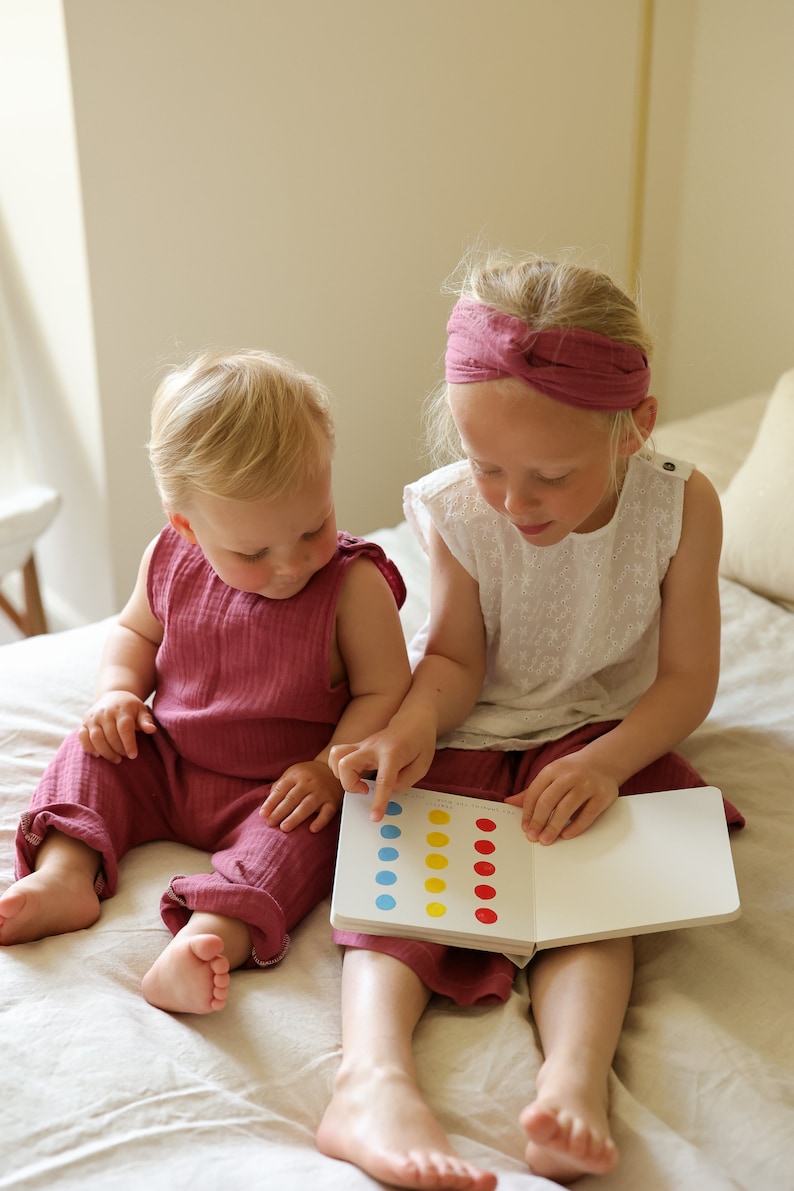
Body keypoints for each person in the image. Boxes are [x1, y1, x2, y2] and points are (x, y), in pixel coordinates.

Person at [316, 251, 744, 1189]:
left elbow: (685, 682)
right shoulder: (459, 513)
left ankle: (572, 1085)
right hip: (478, 731)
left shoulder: (683, 505)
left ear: (635, 430)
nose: (514, 503)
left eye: (549, 475)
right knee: (400, 910)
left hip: (602, 737)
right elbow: (458, 659)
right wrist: (411, 727)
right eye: (487, 467)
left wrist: (608, 760)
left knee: (595, 906)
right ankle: (370, 1081)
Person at [0, 348, 412, 1016]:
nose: (292, 563)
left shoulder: (352, 587)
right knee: (91, 751)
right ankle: (66, 874)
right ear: (187, 526)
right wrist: (116, 694)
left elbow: (384, 691)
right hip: (169, 758)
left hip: (278, 788)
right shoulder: (168, 558)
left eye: (314, 526)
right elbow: (135, 633)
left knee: (318, 835)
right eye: (253, 552)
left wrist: (328, 768)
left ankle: (211, 934)